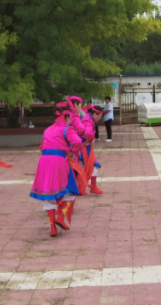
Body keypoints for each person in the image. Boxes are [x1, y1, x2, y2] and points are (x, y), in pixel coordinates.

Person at [30, 101, 83, 237]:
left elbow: (42, 147)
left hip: (44, 161)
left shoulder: (47, 130)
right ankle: (60, 218)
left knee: (48, 193)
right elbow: (78, 142)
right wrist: (71, 152)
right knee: (70, 191)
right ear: (66, 117)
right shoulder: (67, 129)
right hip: (59, 161)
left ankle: (52, 228)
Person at [82, 105, 105, 193]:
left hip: (84, 146)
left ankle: (92, 187)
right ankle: (89, 187)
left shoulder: (88, 119)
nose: (100, 118)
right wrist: (91, 139)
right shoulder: (88, 121)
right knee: (91, 166)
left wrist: (92, 139)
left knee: (90, 166)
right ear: (95, 113)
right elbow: (88, 133)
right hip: (83, 148)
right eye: (99, 116)